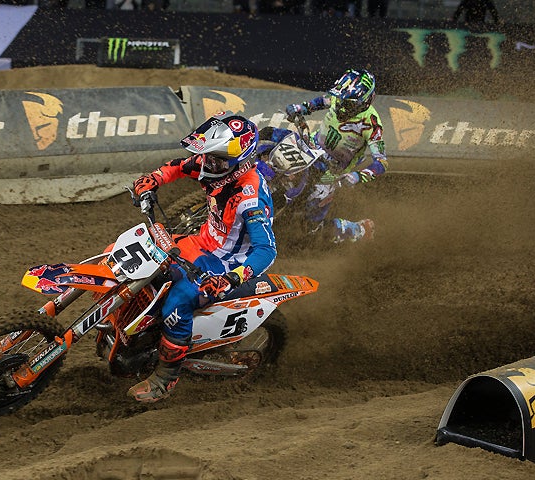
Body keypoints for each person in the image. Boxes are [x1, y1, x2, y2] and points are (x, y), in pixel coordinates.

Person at [128, 112, 277, 403]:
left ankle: (165, 378)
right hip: (202, 242)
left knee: (177, 303)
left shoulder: (251, 195)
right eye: (208, 157)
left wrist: (231, 278)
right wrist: (153, 179)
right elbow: (179, 166)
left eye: (215, 160)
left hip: (226, 262)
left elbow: (266, 250)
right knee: (140, 260)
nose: (207, 164)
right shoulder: (216, 164)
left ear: (238, 162)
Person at [267, 68, 387, 243]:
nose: (340, 106)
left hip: (330, 173)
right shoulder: (338, 99)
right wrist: (301, 108)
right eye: (340, 100)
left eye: (349, 103)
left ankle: (359, 230)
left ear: (365, 102)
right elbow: (320, 102)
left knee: (311, 230)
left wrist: (357, 176)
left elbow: (382, 163)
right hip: (310, 147)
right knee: (270, 135)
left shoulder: (372, 125)